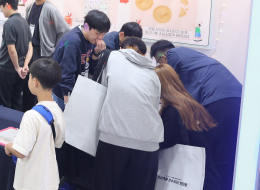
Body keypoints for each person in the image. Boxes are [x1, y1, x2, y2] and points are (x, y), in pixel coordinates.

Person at [151, 40, 242, 190]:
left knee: (223, 156)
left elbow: (168, 78)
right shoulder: (195, 61)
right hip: (235, 98)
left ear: (163, 57)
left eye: (158, 61)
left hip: (220, 101)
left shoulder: (174, 54)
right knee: (226, 154)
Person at [94, 37, 163, 190]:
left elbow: (101, 88)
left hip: (114, 136)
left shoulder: (112, 56)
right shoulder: (153, 73)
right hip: (148, 143)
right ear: (143, 54)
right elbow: (154, 105)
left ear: (122, 47)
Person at [155, 64, 220, 190]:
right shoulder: (190, 104)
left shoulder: (172, 111)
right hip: (205, 174)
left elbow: (163, 141)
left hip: (186, 177)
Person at [4, 58, 65, 190]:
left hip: (30, 182)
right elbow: (58, 143)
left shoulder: (31, 116)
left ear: (35, 82)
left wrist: (8, 146)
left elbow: (21, 151)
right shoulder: (58, 111)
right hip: (49, 180)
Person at [23, 0, 70, 111]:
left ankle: (40, 111)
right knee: (29, 83)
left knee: (41, 85)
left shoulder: (50, 9)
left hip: (44, 53)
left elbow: (65, 30)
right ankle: (27, 111)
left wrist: (55, 48)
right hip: (30, 51)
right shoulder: (30, 7)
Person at [52, 9, 110, 110]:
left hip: (77, 90)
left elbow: (90, 68)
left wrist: (96, 53)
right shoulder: (73, 42)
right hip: (63, 95)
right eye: (97, 33)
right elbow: (66, 74)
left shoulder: (91, 39)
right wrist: (68, 102)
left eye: (104, 34)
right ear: (86, 26)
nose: (100, 37)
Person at [0, 0, 32, 111]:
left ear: (7, 5)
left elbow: (11, 50)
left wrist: (16, 68)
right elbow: (30, 47)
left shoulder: (9, 24)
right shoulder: (24, 22)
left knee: (3, 104)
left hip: (7, 70)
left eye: (1, 7)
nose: (1, 11)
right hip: (21, 71)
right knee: (17, 101)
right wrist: (25, 66)